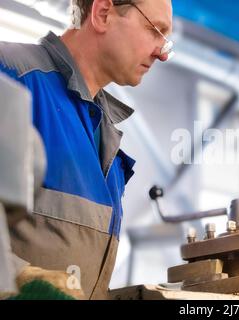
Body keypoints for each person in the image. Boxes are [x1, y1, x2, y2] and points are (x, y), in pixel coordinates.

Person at [0, 0, 173, 299]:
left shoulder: (109, 150)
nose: (163, 53)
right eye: (154, 30)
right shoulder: (10, 76)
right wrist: (19, 280)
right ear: (103, 13)